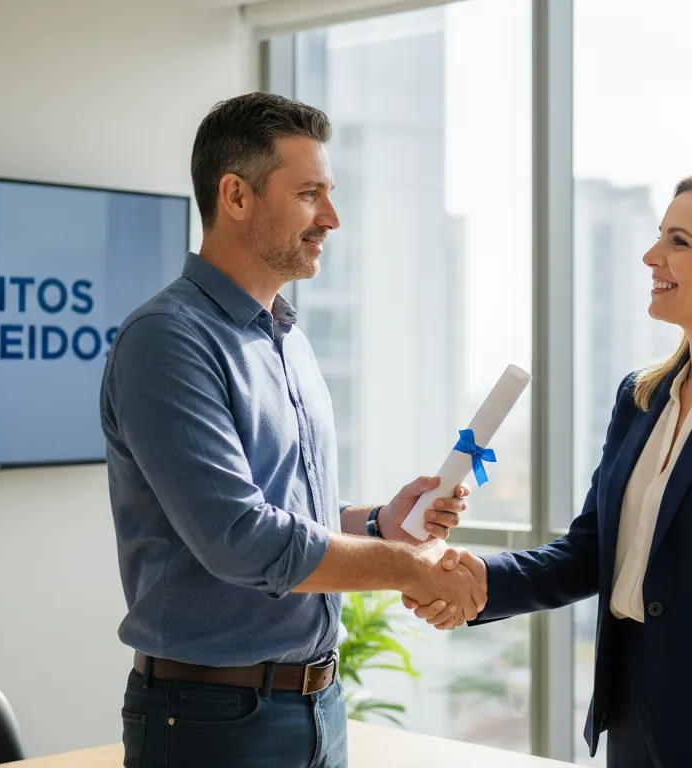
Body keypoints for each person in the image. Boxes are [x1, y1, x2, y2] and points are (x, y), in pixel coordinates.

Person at [405, 171, 692, 766]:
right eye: (658, 237)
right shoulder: (642, 396)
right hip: (632, 715)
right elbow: (593, 549)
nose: (651, 256)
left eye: (678, 241)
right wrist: (481, 583)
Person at [100, 92, 485, 768]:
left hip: (317, 709)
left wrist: (378, 525)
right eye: (310, 195)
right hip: (211, 723)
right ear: (237, 197)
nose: (332, 219)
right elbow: (239, 539)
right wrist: (406, 568)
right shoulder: (167, 340)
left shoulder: (288, 339)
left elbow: (287, 517)